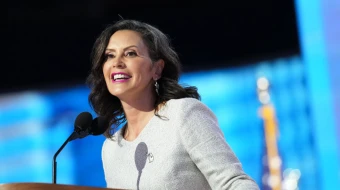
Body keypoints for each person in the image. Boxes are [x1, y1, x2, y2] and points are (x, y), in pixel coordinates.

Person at [86, 19, 259, 190]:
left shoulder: (183, 114)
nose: (117, 63)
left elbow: (235, 183)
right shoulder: (111, 147)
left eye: (130, 53)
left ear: (157, 69)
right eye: (109, 56)